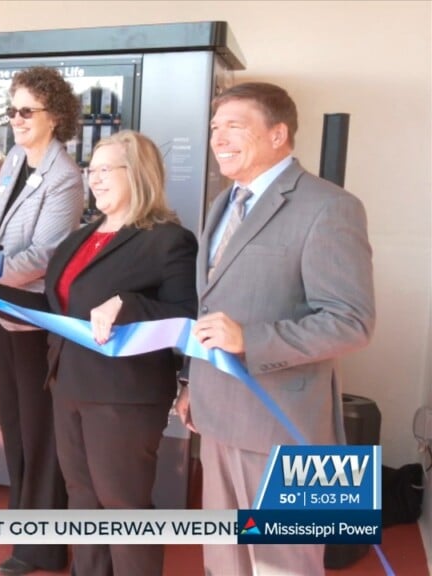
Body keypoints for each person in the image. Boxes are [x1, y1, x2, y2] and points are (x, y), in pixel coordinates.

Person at [175, 82, 375, 575]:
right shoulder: (223, 204)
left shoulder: (330, 206)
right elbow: (213, 306)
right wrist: (190, 385)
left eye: (235, 126)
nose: (219, 138)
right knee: (225, 559)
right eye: (215, 128)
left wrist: (252, 340)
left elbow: (352, 322)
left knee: (285, 565)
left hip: (286, 423)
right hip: (217, 417)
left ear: (279, 134)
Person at [44, 130, 198, 576]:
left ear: (140, 173)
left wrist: (128, 304)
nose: (95, 178)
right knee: (82, 498)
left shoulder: (169, 239)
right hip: (68, 382)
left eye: (106, 169)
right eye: (92, 169)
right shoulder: (83, 236)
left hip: (124, 395)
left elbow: (185, 317)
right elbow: (62, 305)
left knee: (123, 505)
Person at [0, 66, 83, 576]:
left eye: (26, 111)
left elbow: (45, 255)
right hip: (2, 310)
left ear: (55, 116)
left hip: (35, 316)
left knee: (41, 432)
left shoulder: (66, 177)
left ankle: (42, 547)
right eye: (12, 110)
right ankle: (23, 526)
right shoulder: (17, 158)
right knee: (15, 425)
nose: (15, 119)